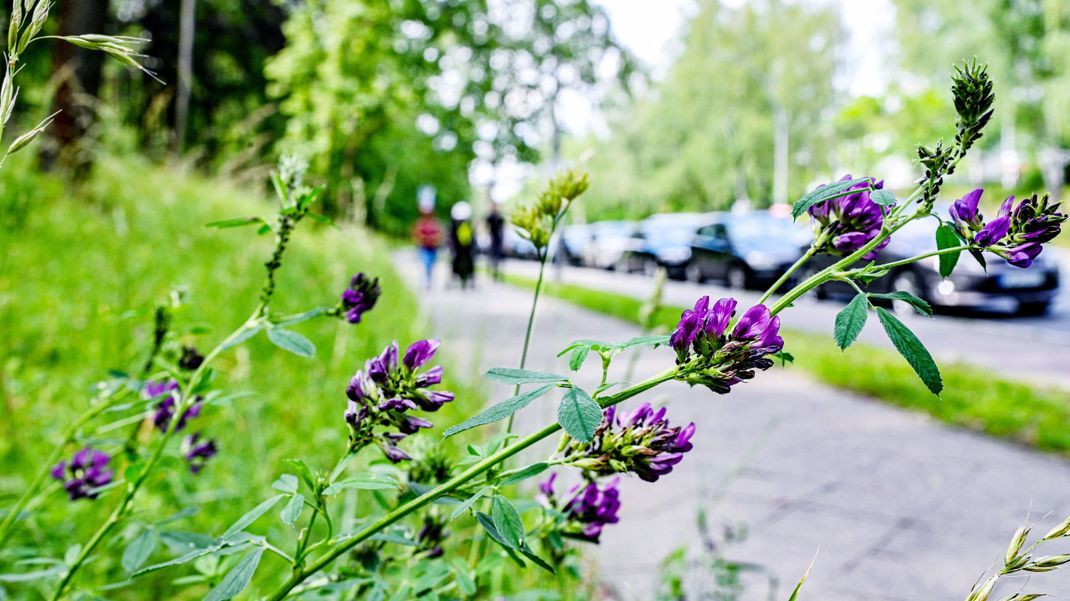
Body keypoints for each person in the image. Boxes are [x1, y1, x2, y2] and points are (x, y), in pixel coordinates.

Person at [412, 198, 443, 290]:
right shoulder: (420, 223)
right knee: (424, 264)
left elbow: (439, 234)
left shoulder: (435, 223)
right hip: (423, 247)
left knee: (431, 265)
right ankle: (424, 282)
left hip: (433, 248)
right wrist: (423, 239)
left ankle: (429, 281)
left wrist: (435, 240)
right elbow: (416, 234)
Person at [449, 201, 476, 289]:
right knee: (457, 259)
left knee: (468, 259)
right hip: (460, 247)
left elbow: (472, 236)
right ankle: (456, 275)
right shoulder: (457, 224)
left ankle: (470, 276)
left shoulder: (467, 224)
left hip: (466, 246)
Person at [485, 201, 506, 280]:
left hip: (498, 239)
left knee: (498, 257)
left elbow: (503, 228)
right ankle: (491, 270)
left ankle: (497, 273)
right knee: (491, 256)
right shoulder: (490, 217)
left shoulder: (500, 217)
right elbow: (486, 227)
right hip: (492, 239)